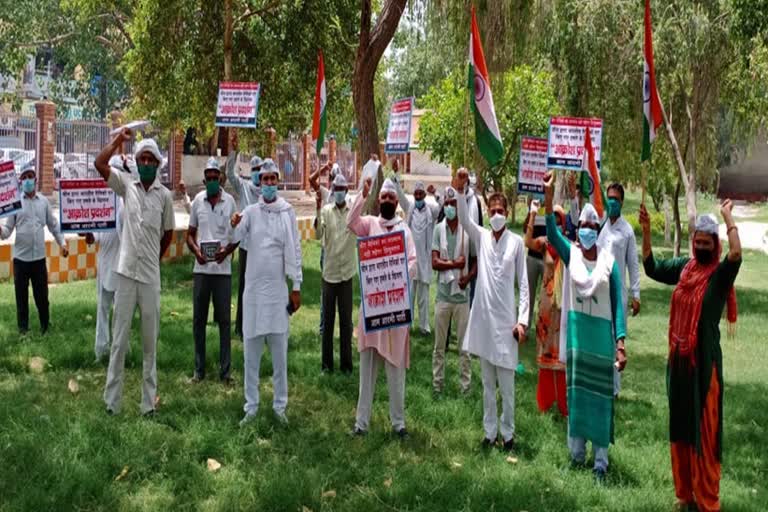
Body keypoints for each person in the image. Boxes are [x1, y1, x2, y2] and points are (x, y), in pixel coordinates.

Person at [640, 201, 741, 512]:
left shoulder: (720, 275)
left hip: (705, 365)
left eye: (705, 243)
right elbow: (652, 268)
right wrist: (645, 231)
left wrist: (728, 217)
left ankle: (706, 498)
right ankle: (685, 494)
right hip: (679, 364)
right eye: (696, 241)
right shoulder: (685, 268)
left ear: (715, 245)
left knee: (705, 433)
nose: (699, 246)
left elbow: (737, 254)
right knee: (681, 429)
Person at [542, 172, 626, 482]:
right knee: (577, 396)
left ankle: (600, 461)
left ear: (598, 230)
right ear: (579, 230)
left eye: (594, 226)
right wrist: (549, 197)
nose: (589, 230)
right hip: (578, 338)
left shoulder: (609, 263)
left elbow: (618, 304)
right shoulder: (572, 255)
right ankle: (577, 456)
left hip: (601, 343)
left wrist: (620, 343)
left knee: (601, 399)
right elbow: (551, 233)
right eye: (585, 226)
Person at [94, 131, 175, 416]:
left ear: (158, 163)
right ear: (137, 162)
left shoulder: (165, 196)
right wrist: (118, 143)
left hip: (150, 277)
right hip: (126, 274)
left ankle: (147, 404)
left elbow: (168, 235)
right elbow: (100, 164)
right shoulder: (126, 185)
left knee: (149, 343)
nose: (146, 162)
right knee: (119, 341)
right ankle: (111, 402)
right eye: (141, 158)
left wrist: (154, 257)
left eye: (151, 159)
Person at [453, 169, 528, 452]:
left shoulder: (517, 243)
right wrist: (460, 190)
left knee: (507, 388)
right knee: (487, 385)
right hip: (484, 323)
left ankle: (508, 436)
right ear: (488, 211)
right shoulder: (482, 236)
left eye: (500, 210)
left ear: (507, 212)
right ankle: (489, 432)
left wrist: (522, 322)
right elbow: (463, 219)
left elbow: (523, 283)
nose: (496, 213)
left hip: (507, 324)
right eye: (492, 209)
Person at [232, 159, 302, 426]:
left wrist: (296, 286)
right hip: (253, 294)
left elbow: (295, 249)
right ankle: (251, 406)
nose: (270, 184)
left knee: (279, 356)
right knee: (251, 355)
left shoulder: (288, 212)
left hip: (277, 294)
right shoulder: (250, 211)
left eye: (274, 179)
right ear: (259, 182)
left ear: (278, 182)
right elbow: (235, 236)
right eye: (266, 179)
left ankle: (279, 406)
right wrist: (234, 221)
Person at [347, 177, 417, 437]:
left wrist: (394, 275)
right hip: (372, 310)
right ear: (379, 200)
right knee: (367, 372)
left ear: (396, 202)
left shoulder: (404, 230)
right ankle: (361, 423)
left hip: (395, 312)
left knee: (396, 370)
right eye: (383, 198)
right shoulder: (371, 224)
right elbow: (351, 222)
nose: (387, 201)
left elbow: (413, 263)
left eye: (391, 198)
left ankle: (398, 424)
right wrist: (361, 195)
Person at [187, 157, 239, 384]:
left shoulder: (231, 203)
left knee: (225, 323)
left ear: (220, 178)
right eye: (207, 178)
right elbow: (190, 234)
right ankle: (199, 370)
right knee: (199, 320)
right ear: (204, 179)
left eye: (214, 177)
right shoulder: (198, 201)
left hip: (222, 271)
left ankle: (225, 372)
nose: (211, 181)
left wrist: (226, 252)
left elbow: (237, 237)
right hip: (201, 270)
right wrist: (196, 251)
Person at [0, 164, 69, 334]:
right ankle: (23, 330)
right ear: (20, 181)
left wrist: (63, 243)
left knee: (42, 297)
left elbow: (53, 225)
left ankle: (45, 327)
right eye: (24, 177)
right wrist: (0, 230)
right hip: (20, 260)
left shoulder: (44, 202)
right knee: (21, 298)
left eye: (30, 176)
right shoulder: (15, 203)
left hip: (38, 259)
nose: (27, 180)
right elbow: (7, 231)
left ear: (35, 179)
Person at [596, 182, 640, 398]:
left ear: (621, 202)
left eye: (615, 198)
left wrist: (636, 294)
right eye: (609, 198)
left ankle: (613, 389)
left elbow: (633, 264)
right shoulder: (602, 226)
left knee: (616, 338)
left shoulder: (627, 231)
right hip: (599, 291)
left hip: (618, 293)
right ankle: (601, 381)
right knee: (601, 335)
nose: (612, 202)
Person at [431, 186, 476, 395]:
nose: (449, 207)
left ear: (459, 206)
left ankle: (465, 388)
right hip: (442, 295)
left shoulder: (468, 231)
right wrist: (455, 265)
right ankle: (437, 386)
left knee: (464, 348)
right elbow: (434, 262)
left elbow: (474, 261)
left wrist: (467, 276)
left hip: (462, 297)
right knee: (439, 347)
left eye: (453, 204)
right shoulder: (439, 229)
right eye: (446, 204)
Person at [525, 200, 568, 417]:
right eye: (555, 221)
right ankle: (544, 401)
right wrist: (533, 214)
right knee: (545, 352)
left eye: (561, 221)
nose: (558, 225)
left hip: (563, 306)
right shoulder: (544, 243)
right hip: (546, 305)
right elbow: (527, 241)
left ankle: (563, 403)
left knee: (561, 355)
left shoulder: (569, 246)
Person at [82, 155, 126, 361]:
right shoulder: (102, 200)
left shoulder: (129, 201)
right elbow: (96, 235)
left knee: (122, 312)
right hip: (106, 260)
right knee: (102, 308)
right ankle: (101, 351)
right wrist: (90, 236)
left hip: (124, 264)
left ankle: (121, 351)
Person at [316, 173, 356, 374]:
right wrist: (316, 209)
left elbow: (366, 204)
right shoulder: (325, 211)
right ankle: (326, 365)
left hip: (346, 275)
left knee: (346, 323)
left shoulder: (352, 214)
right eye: (336, 189)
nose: (339, 192)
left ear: (346, 191)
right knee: (328, 322)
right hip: (329, 274)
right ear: (332, 191)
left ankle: (347, 365)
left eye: (342, 189)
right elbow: (317, 235)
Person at [397, 180, 440, 335]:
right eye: (416, 194)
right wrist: (396, 178)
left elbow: (442, 205)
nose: (418, 197)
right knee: (409, 295)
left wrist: (436, 193)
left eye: (421, 194)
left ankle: (424, 326)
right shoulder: (410, 209)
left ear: (424, 194)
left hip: (425, 260)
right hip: (411, 259)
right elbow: (401, 198)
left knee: (423, 296)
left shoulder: (432, 210)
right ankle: (406, 325)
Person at [227, 154, 263, 338]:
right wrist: (234, 151)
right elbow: (229, 174)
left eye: (260, 170)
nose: (257, 173)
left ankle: (258, 326)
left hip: (262, 248)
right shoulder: (244, 187)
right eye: (254, 170)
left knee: (260, 288)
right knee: (244, 286)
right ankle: (240, 326)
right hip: (246, 246)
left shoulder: (267, 191)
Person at [310, 161, 340, 336]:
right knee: (326, 290)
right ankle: (324, 327)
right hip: (326, 250)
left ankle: (346, 327)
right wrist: (323, 169)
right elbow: (311, 180)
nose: (334, 183)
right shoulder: (326, 194)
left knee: (343, 290)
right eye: (332, 179)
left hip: (341, 251)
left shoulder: (346, 199)